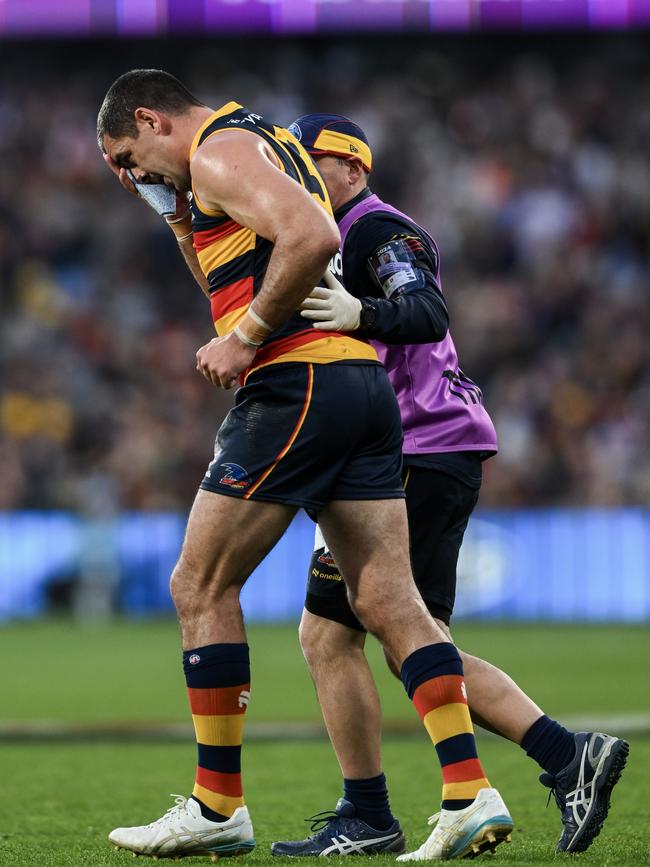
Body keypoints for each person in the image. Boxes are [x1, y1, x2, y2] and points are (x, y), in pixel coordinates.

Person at [97, 71, 513, 860]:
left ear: (150, 118)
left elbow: (313, 238)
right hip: (358, 385)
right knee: (389, 599)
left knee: (199, 582)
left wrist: (249, 335)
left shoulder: (220, 149)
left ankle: (218, 805)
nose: (131, 175)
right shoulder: (260, 145)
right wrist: (182, 222)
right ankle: (468, 791)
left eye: (127, 155)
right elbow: (235, 271)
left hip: (299, 380)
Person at [270, 114, 629, 860]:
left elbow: (428, 309)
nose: (296, 175)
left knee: (379, 636)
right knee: (372, 639)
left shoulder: (375, 231)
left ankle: (400, 803)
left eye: (309, 162)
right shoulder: (329, 233)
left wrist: (359, 311)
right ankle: (560, 759)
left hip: (413, 448)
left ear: (353, 171)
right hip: (409, 449)